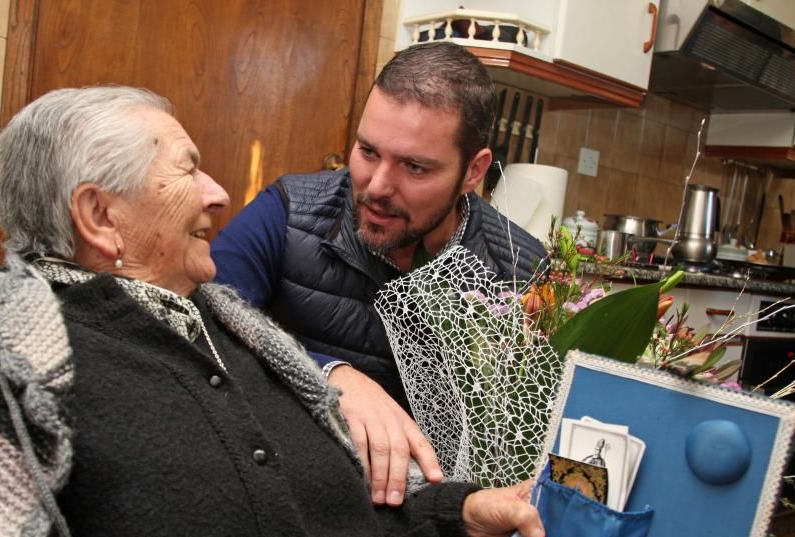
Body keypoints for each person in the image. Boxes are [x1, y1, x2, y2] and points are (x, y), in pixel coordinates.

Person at [0, 85, 545, 537]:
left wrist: (455, 519)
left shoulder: (234, 331)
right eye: (190, 171)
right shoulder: (4, 356)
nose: (218, 193)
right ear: (101, 216)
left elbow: (330, 525)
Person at [211, 41, 548, 508]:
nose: (376, 186)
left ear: (473, 171)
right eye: (368, 151)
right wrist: (327, 372)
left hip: (438, 529)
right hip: (289, 505)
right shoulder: (287, 215)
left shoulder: (520, 270)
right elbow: (194, 320)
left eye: (414, 166)